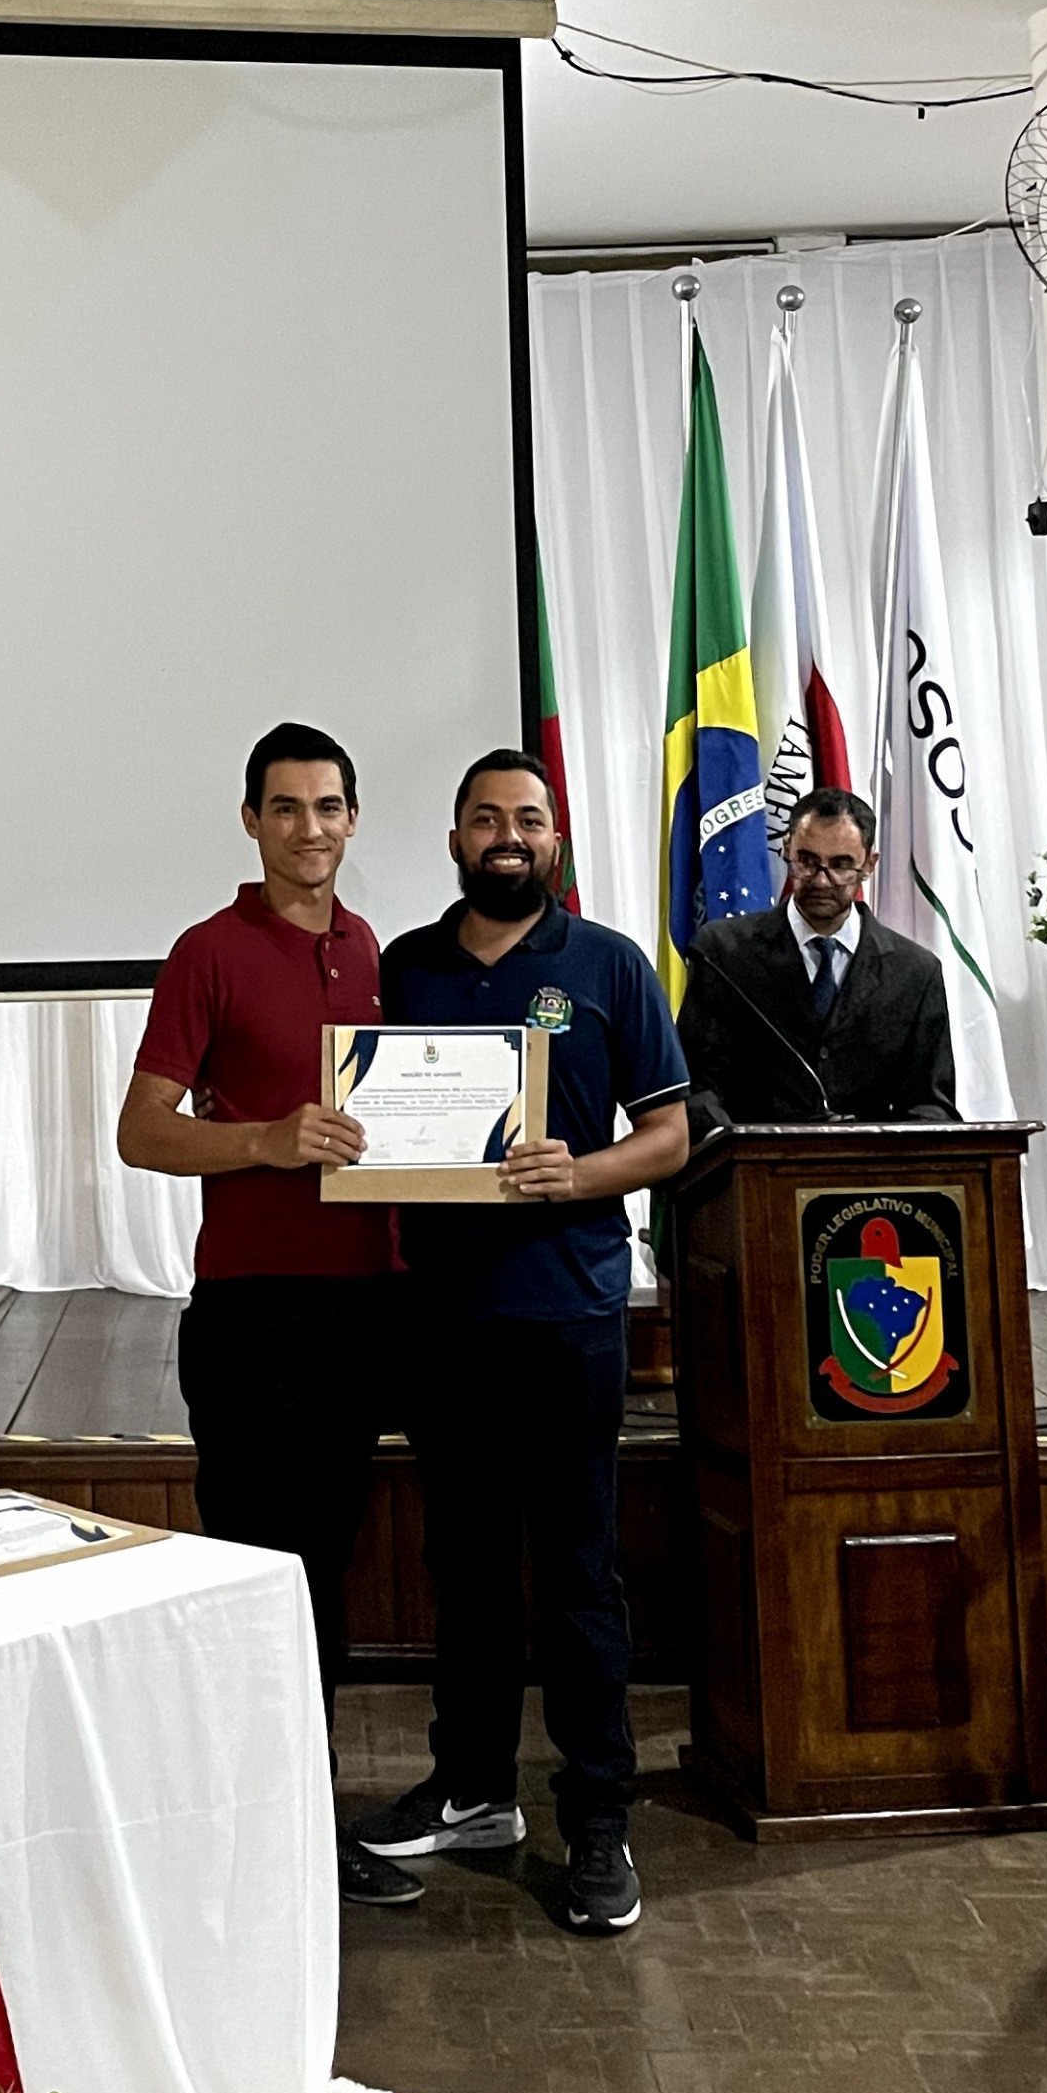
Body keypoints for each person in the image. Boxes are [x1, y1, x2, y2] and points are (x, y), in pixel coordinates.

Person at [347, 749, 690, 1938]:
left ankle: (597, 1818)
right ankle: (473, 1787)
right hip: (444, 1313)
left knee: (580, 1573)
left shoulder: (609, 963)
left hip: (569, 1311)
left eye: (528, 818)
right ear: (455, 837)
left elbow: (669, 1135)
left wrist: (575, 1173)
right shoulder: (404, 966)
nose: (508, 834)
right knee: (470, 1564)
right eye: (486, 817)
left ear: (556, 839)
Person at [116, 724, 411, 1911]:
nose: (309, 828)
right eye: (285, 807)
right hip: (255, 1316)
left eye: (328, 806)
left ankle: (304, 1830)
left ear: (354, 817)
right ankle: (247, 1845)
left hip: (366, 1308)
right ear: (251, 820)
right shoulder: (208, 952)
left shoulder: (377, 951)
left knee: (323, 1578)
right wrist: (266, 1140)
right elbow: (142, 1128)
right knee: (259, 1579)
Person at [679, 785, 958, 1124]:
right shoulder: (723, 953)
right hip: (753, 1154)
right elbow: (698, 1088)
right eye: (807, 862)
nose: (822, 882)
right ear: (787, 849)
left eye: (841, 865)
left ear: (869, 864)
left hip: (869, 1158)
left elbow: (931, 1107)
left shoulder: (914, 972)